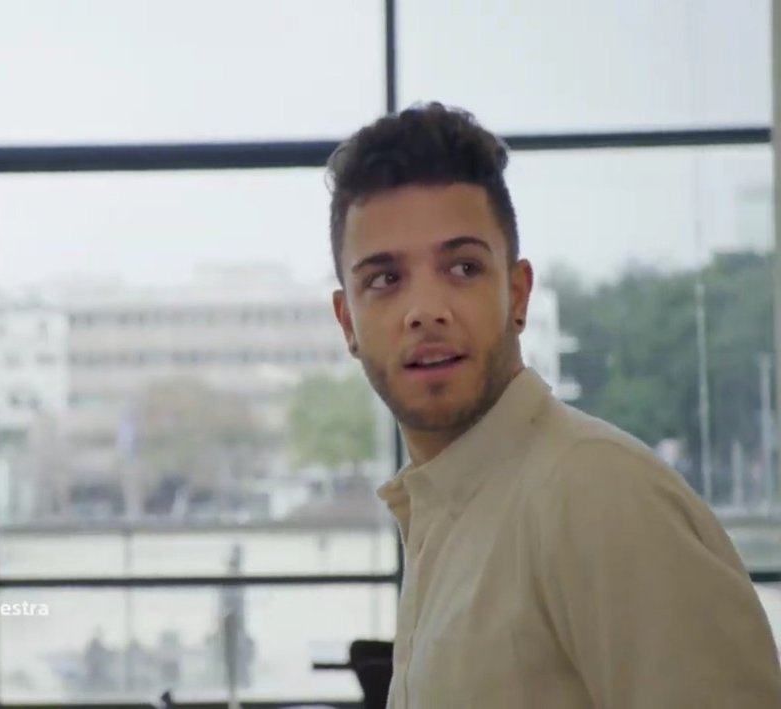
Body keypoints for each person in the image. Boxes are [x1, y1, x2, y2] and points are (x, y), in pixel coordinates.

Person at [326, 101, 781, 708]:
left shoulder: (595, 493)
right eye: (385, 280)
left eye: (462, 267)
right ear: (347, 322)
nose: (426, 311)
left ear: (517, 295)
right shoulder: (445, 510)